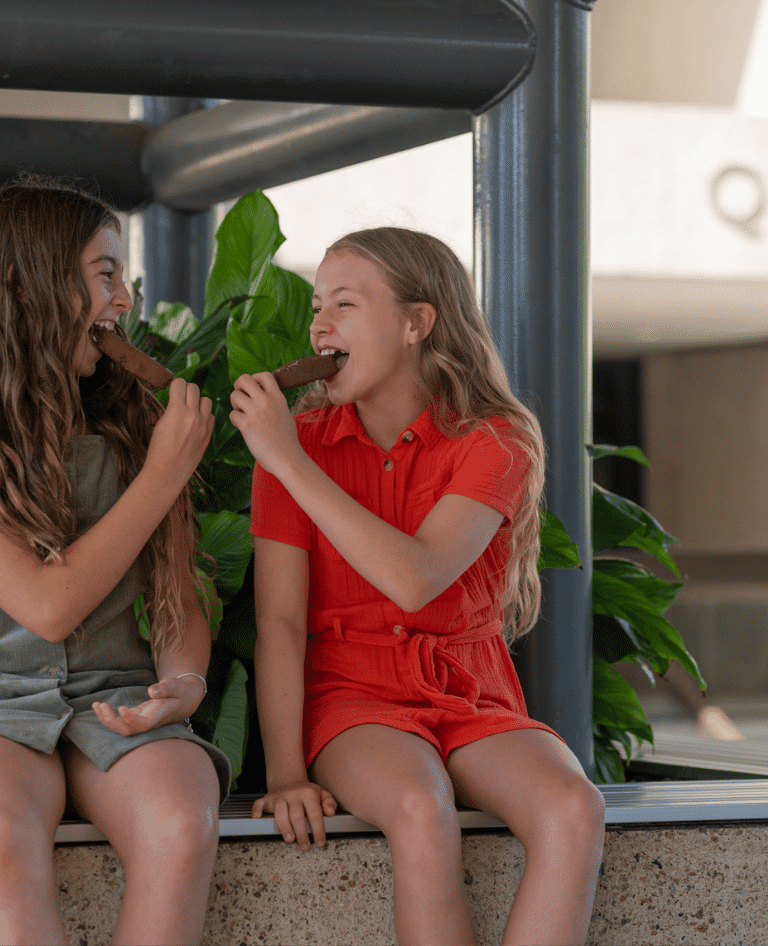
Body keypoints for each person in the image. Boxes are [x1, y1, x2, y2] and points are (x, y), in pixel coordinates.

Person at [230, 226, 605, 946]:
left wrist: (285, 460)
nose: (319, 324)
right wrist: (284, 775)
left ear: (416, 322)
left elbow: (417, 577)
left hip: (468, 693)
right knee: (416, 804)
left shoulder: (496, 441)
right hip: (352, 697)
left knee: (572, 808)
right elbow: (278, 621)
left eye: (344, 304)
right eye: (317, 306)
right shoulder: (299, 445)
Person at [0, 178, 230, 946]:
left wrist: (185, 680)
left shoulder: (132, 424)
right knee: (3, 843)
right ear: (29, 283)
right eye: (105, 275)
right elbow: (47, 605)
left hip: (116, 697)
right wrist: (167, 471)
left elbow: (177, 597)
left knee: (181, 820)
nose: (125, 301)